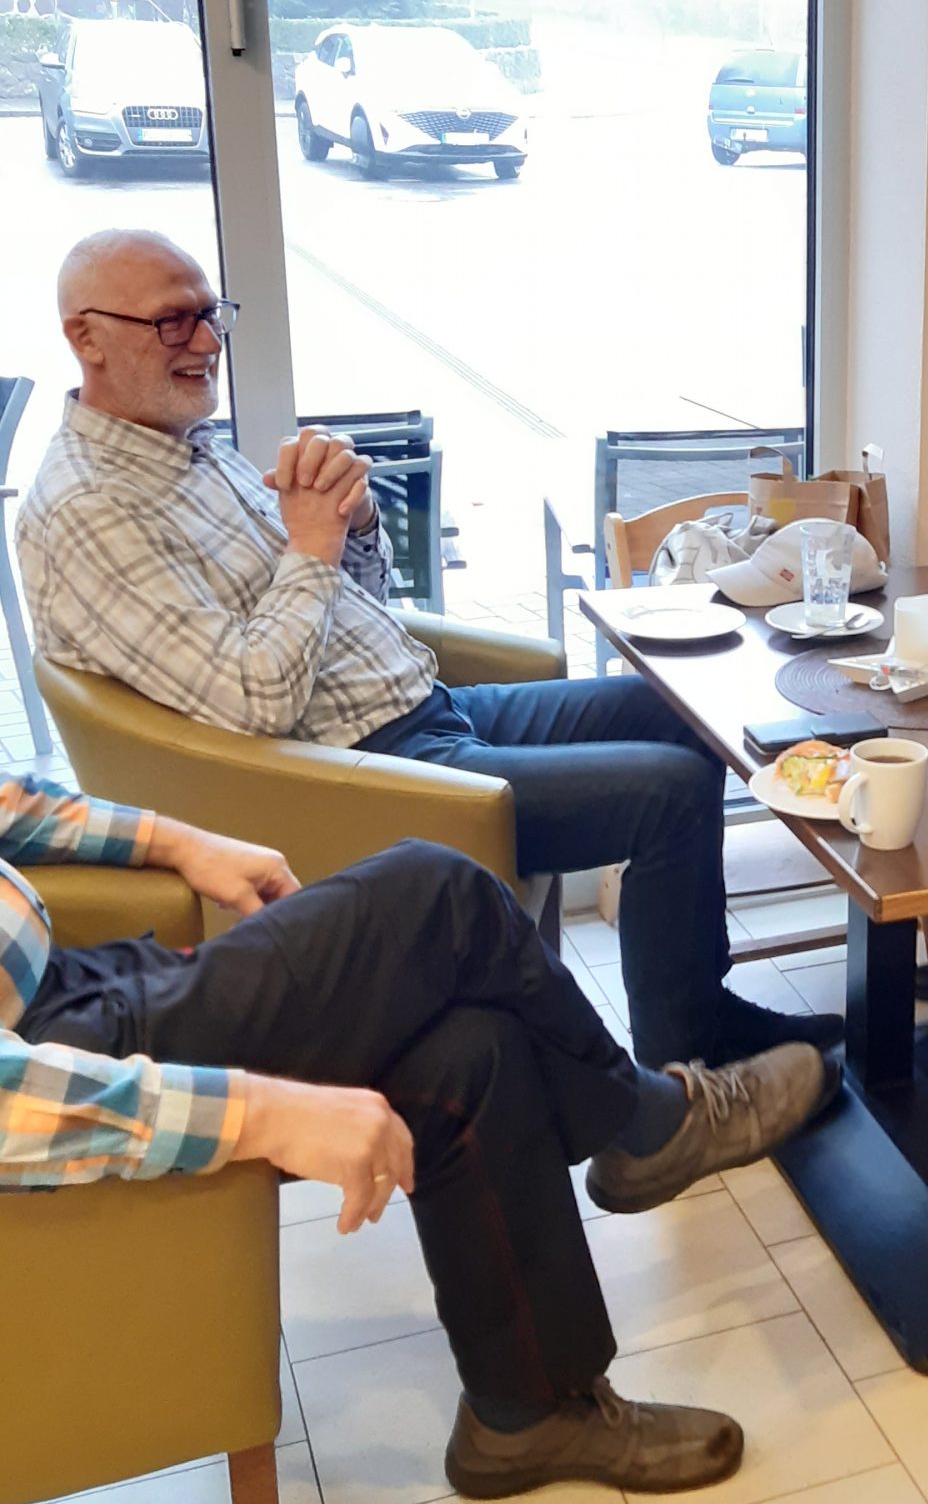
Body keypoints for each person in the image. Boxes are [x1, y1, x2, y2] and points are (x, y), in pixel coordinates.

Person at [17, 230, 841, 1074]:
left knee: (679, 707)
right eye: (170, 323)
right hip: (357, 773)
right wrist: (309, 546)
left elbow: (355, 600)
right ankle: (689, 1059)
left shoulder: (183, 451)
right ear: (86, 337)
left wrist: (354, 520)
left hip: (423, 711)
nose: (203, 343)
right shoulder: (88, 509)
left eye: (209, 316)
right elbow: (254, 701)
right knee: (669, 791)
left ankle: (700, 1009)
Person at [1, 766, 837, 1495]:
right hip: (56, 1076)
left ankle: (524, 1416)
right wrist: (261, 1111)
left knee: (474, 1050)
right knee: (440, 894)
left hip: (67, 984)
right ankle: (643, 1123)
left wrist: (175, 841)